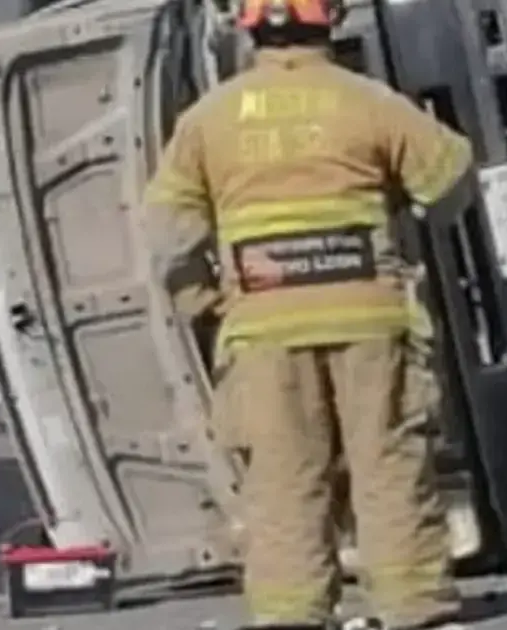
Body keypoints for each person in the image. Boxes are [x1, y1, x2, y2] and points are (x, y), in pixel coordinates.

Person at [142, 0, 476, 627]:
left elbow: (166, 236)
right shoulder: (369, 101)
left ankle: (292, 615)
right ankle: (416, 611)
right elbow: (452, 175)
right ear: (331, 17)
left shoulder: (207, 120)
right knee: (390, 469)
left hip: (264, 334)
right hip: (370, 323)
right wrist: (406, 205)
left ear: (247, 23)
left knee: (283, 481)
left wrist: (205, 304)